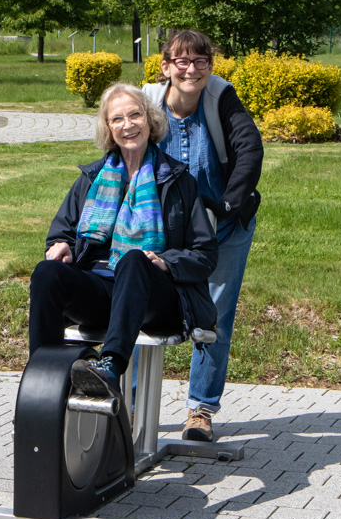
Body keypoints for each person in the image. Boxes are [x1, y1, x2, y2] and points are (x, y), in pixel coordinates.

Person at [29, 82, 218, 399]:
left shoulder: (177, 180)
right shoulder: (93, 177)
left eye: (135, 115)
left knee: (134, 259)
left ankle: (109, 369)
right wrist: (60, 245)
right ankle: (42, 377)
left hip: (156, 296)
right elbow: (61, 231)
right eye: (117, 119)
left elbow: (205, 254)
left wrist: (166, 262)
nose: (128, 125)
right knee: (46, 273)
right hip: (101, 290)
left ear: (150, 119)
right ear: (108, 128)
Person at [142, 29, 263, 442]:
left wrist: (229, 204)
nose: (191, 69)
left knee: (215, 316)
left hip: (224, 226)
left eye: (200, 61)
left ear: (210, 66)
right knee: (140, 303)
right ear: (166, 66)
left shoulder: (220, 97)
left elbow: (249, 148)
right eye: (182, 61)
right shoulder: (148, 105)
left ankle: (200, 411)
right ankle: (133, 401)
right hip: (161, 226)